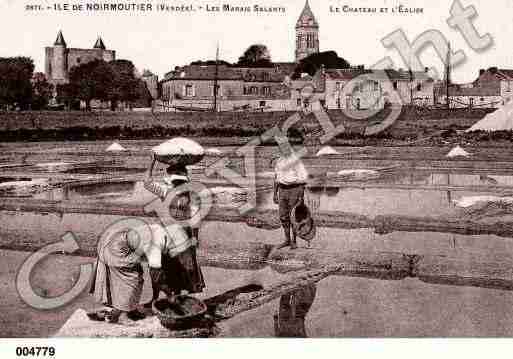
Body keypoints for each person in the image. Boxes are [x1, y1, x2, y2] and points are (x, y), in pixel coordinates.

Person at [143, 155, 205, 303]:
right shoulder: (167, 191)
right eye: (176, 181)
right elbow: (147, 182)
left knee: (181, 265)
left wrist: (194, 237)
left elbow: (195, 218)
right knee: (163, 264)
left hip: (180, 233)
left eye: (180, 182)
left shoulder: (191, 195)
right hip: (167, 233)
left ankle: (176, 295)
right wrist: (152, 161)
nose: (178, 184)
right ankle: (160, 296)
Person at [89, 221, 176, 325]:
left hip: (117, 239)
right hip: (116, 248)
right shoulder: (156, 246)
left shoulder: (160, 230)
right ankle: (122, 315)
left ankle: (130, 309)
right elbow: (155, 275)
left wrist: (157, 296)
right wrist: (169, 294)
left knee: (136, 274)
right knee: (132, 280)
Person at [273, 146, 309, 250]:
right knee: (283, 216)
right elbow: (276, 178)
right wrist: (275, 193)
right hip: (282, 190)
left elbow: (303, 181)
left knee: (294, 216)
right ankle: (287, 240)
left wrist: (301, 198)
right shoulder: (279, 161)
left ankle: (294, 241)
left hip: (294, 189)